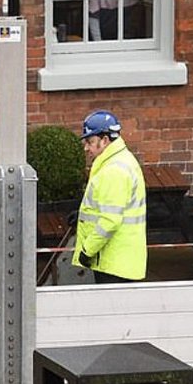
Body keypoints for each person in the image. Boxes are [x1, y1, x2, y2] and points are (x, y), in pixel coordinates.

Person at [71, 110, 147, 282]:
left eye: (90, 142)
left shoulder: (113, 170)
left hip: (113, 263)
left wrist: (87, 250)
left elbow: (110, 220)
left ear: (105, 140)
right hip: (121, 260)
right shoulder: (120, 161)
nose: (86, 148)